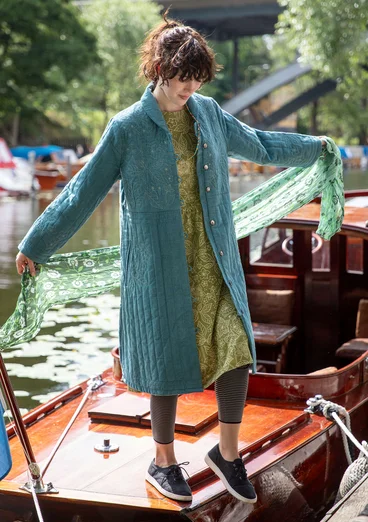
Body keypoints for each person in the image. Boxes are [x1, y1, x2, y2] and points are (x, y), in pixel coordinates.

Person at [16, 11, 326, 505]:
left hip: (213, 255)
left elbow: (263, 144)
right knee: (166, 359)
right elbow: (82, 192)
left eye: (197, 79)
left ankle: (227, 454)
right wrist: (36, 243)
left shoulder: (207, 113)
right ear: (160, 69)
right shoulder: (128, 128)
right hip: (160, 263)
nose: (190, 88)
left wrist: (317, 147)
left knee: (236, 347)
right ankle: (163, 462)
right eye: (184, 78)